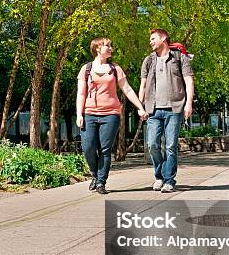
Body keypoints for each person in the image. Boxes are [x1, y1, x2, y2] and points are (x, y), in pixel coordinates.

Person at [76, 38, 148, 194]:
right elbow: (81, 93)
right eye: (107, 46)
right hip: (89, 113)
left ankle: (101, 182)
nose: (110, 48)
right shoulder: (86, 69)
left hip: (111, 114)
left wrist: (140, 108)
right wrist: (78, 114)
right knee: (88, 147)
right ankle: (95, 175)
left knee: (105, 149)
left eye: (110, 46)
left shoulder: (115, 68)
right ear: (97, 49)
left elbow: (127, 89)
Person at [139, 28, 194, 192]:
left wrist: (189, 103)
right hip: (153, 110)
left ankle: (169, 180)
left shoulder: (180, 58)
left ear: (163, 38)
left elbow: (189, 81)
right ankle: (159, 176)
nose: (151, 41)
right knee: (152, 145)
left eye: (153, 38)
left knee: (170, 146)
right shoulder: (148, 61)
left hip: (174, 108)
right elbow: (142, 85)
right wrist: (140, 106)